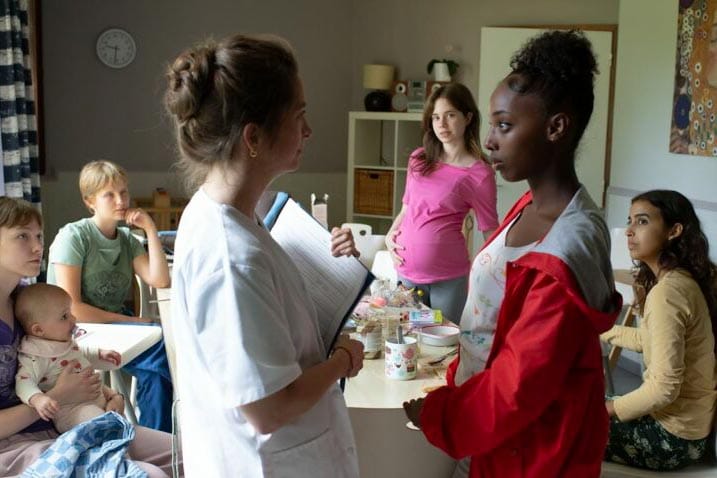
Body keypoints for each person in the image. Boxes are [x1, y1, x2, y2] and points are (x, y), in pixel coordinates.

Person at [403, 30, 622, 477]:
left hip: (530, 451)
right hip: (494, 437)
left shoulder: (568, 244)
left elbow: (517, 387)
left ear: (555, 128)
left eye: (504, 126)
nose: (489, 141)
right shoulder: (527, 206)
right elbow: (490, 323)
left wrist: (438, 415)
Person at [164, 33, 364, 477]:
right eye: (299, 116)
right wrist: (342, 360)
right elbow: (269, 408)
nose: (308, 131)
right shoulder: (231, 256)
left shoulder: (227, 214)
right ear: (253, 137)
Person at [0, 197, 176, 477]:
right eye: (23, 236)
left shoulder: (26, 301)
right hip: (15, 446)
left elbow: (60, 352)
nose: (37, 247)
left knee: (189, 454)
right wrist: (58, 396)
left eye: (38, 236)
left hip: (64, 425)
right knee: (149, 474)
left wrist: (109, 396)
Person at [46, 160, 173, 432]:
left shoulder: (127, 239)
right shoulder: (74, 237)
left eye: (124, 192)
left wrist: (150, 229)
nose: (121, 200)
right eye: (109, 194)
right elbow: (73, 309)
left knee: (165, 347)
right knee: (158, 356)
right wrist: (133, 321)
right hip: (73, 329)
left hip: (114, 325)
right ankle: (157, 435)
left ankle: (156, 436)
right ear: (90, 201)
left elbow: (160, 279)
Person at [602, 190, 717, 471]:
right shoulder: (681, 280)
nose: (629, 231)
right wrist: (600, 331)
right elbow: (651, 340)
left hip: (671, 438)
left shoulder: (668, 293)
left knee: (561, 422)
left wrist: (605, 411)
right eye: (630, 221)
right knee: (576, 401)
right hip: (688, 430)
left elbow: (664, 389)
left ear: (674, 231)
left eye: (642, 221)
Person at [385, 83, 498, 324]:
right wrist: (389, 236)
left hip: (448, 279)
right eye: (436, 117)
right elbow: (407, 209)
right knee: (409, 335)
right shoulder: (418, 159)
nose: (442, 124)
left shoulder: (479, 173)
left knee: (442, 341)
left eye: (450, 115)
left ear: (468, 117)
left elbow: (490, 231)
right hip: (406, 273)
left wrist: (501, 277)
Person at [15, 283, 124, 433]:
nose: (73, 319)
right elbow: (23, 382)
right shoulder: (35, 355)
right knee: (104, 426)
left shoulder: (61, 341)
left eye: (70, 313)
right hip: (72, 412)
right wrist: (38, 399)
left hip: (97, 399)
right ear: (39, 330)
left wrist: (99, 353)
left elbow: (77, 352)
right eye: (64, 316)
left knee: (118, 424)